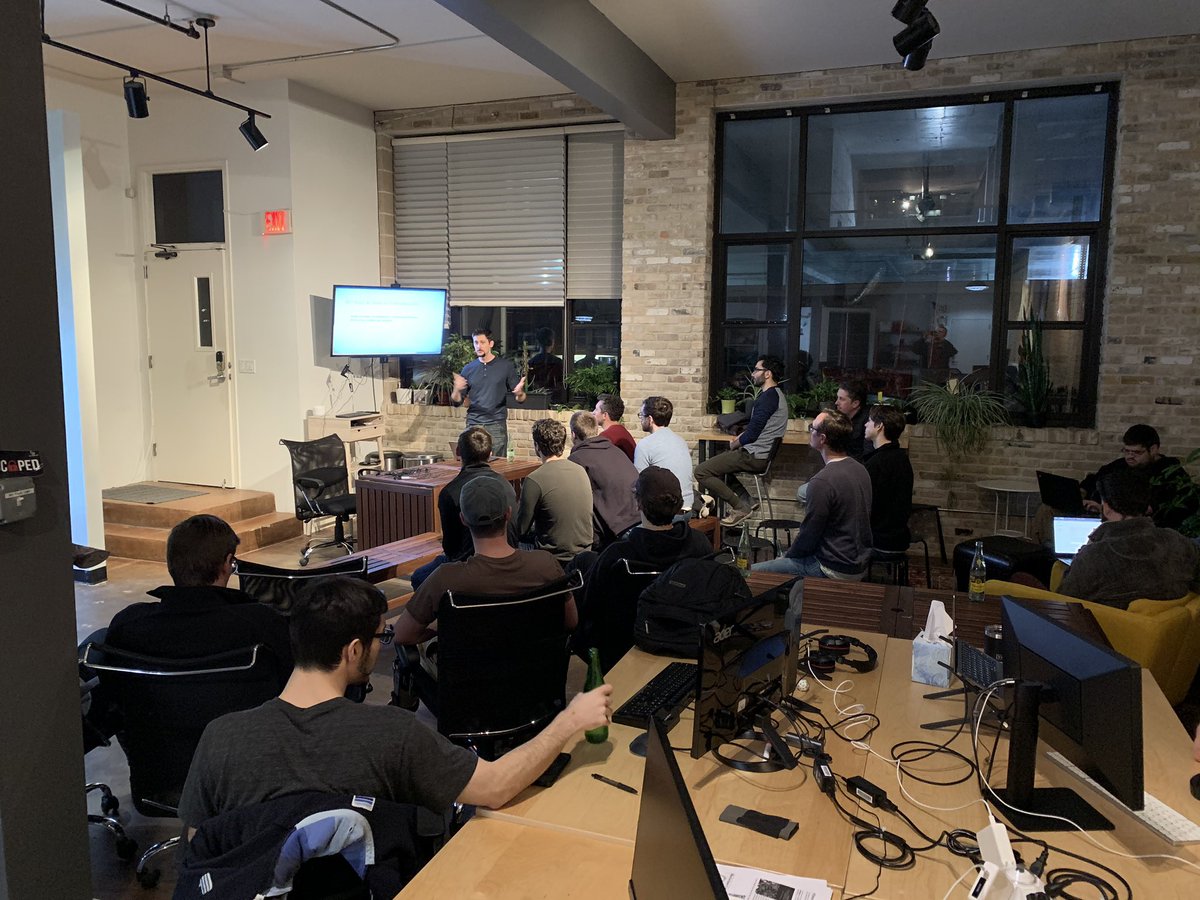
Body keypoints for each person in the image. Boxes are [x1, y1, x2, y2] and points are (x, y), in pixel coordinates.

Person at [178, 576, 611, 829]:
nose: (380, 645)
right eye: (378, 638)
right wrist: (569, 720)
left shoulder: (221, 738)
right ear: (353, 651)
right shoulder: (393, 736)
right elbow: (495, 787)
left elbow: (199, 851)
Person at [81, 514, 295, 745]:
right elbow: (292, 686)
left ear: (171, 564)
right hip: (244, 755)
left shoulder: (128, 625)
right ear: (227, 563)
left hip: (156, 761)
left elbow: (114, 696)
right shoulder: (263, 623)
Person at [394, 476, 577, 669]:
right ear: (508, 514)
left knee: (424, 649)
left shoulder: (444, 579)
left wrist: (440, 628)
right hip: (535, 677)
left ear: (463, 519)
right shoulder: (546, 564)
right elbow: (571, 621)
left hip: (470, 683)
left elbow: (402, 634)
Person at [751, 410, 872, 585]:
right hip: (858, 563)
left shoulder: (822, 482)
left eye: (812, 428)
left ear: (822, 439)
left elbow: (809, 535)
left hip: (832, 567)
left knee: (751, 573)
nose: (810, 431)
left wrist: (786, 557)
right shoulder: (860, 469)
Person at [1058, 468, 1200, 608]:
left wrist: (1088, 546)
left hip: (1106, 622)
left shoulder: (1095, 554)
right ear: (1147, 506)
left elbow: (1065, 601)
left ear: (1106, 507)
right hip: (1170, 621)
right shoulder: (1177, 540)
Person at [408, 426, 518, 590]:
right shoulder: (506, 485)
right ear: (490, 453)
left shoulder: (450, 493)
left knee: (419, 577)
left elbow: (451, 549)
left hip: (468, 566)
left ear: (458, 452)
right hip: (509, 557)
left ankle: (448, 606)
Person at [695, 355, 788, 526]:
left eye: (757, 370)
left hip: (754, 456)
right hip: (761, 455)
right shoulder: (776, 395)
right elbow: (756, 428)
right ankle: (747, 500)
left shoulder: (768, 398)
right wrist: (740, 438)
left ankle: (740, 507)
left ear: (767, 374)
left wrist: (735, 444)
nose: (753, 374)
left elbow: (752, 434)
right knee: (719, 466)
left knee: (701, 471)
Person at [1079, 424, 1196, 530]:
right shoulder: (1119, 466)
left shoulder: (1172, 474)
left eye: (1137, 452)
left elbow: (1173, 509)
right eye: (1126, 451)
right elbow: (1094, 480)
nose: (1130, 456)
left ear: (1153, 449)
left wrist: (1107, 511)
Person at [516, 418, 594, 563]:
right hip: (585, 553)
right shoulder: (580, 470)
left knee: (515, 543)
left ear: (537, 446)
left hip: (553, 556)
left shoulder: (534, 479)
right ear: (562, 444)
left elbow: (520, 529)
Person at [568, 411, 640, 548]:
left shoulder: (577, 459)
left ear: (573, 434)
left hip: (616, 532)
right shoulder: (615, 450)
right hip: (639, 520)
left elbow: (576, 503)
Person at [451, 329, 526, 459]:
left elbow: (521, 399)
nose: (478, 346)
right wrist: (456, 389)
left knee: (498, 464)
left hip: (496, 424)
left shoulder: (505, 366)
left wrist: (519, 393)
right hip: (473, 424)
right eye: (476, 342)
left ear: (490, 344)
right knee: (472, 462)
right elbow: (457, 402)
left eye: (482, 342)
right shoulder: (468, 369)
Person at [862, 405, 913, 552]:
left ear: (879, 426)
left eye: (869, 421)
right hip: (899, 537)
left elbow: (868, 507)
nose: (865, 424)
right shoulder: (902, 457)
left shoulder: (877, 463)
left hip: (879, 539)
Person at [632, 396, 695, 516]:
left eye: (642, 415)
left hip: (666, 510)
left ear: (650, 419)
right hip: (688, 505)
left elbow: (639, 483)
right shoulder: (680, 440)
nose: (641, 419)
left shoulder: (645, 444)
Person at [593, 393, 637, 461]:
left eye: (596, 409)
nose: (593, 412)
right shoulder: (622, 431)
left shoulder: (607, 436)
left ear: (604, 415)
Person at [834, 380, 870, 460]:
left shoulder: (869, 422)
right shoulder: (839, 416)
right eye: (837, 398)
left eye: (841, 399)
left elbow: (867, 455)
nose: (836, 403)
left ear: (855, 403)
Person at [526, 326, 564, 398]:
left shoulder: (531, 362)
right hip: (554, 399)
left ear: (538, 342)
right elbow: (561, 385)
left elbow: (528, 385)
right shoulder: (558, 362)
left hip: (535, 398)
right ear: (552, 342)